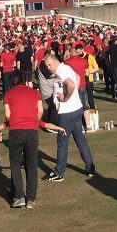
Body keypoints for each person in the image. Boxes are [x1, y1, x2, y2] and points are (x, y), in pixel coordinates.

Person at [0, 69, 65, 208]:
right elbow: (39, 111)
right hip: (32, 130)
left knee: (15, 164)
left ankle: (19, 196)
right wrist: (35, 121)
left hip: (16, 130)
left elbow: (8, 115)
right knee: (32, 164)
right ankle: (31, 198)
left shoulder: (8, 94)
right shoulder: (35, 93)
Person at [42, 52, 96, 182]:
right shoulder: (66, 68)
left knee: (62, 143)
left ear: (54, 61)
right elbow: (76, 77)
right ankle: (90, 167)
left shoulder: (62, 71)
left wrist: (65, 97)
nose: (48, 67)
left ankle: (59, 173)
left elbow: (71, 84)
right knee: (80, 140)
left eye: (49, 65)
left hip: (67, 113)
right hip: (77, 109)